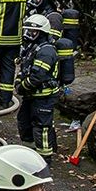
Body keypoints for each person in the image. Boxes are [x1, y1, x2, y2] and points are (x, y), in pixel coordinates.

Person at [17, 15, 63, 156]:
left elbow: (38, 76)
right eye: (27, 31)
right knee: (24, 122)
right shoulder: (33, 47)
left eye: (32, 32)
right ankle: (29, 153)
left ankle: (44, 158)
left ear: (42, 32)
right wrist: (19, 80)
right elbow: (25, 67)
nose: (28, 35)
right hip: (31, 95)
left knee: (41, 127)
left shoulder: (46, 51)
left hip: (43, 97)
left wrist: (22, 87)